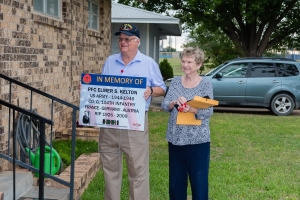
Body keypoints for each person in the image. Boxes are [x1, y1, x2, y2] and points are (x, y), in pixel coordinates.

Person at [98, 23, 166, 200]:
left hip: (134, 124)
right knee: (110, 170)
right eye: (120, 39)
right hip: (110, 123)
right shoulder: (110, 61)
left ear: (137, 41)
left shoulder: (148, 63)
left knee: (137, 171)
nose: (123, 42)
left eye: (127, 39)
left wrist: (150, 90)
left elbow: (162, 88)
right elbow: (101, 87)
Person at [161, 47, 214, 200]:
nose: (185, 65)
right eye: (183, 61)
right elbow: (165, 105)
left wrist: (193, 109)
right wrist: (173, 103)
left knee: (199, 181)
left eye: (189, 62)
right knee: (176, 183)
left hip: (198, 140)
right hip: (176, 139)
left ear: (198, 64)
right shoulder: (176, 82)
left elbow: (209, 111)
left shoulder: (205, 85)